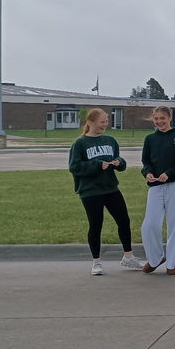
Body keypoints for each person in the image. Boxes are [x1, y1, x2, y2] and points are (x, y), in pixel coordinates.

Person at [68, 108, 143, 275]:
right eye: (102, 122)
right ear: (91, 122)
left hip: (110, 188)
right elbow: (74, 167)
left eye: (106, 122)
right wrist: (95, 165)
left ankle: (128, 256)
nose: (105, 125)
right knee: (96, 225)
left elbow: (119, 160)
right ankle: (96, 262)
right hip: (90, 191)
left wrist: (119, 162)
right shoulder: (80, 144)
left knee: (124, 220)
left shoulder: (110, 140)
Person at [141, 105, 175, 274]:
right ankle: (155, 258)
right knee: (149, 225)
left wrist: (169, 174)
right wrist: (147, 173)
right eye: (156, 119)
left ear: (170, 118)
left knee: (174, 224)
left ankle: (171, 264)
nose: (159, 122)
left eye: (162, 118)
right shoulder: (150, 139)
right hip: (156, 186)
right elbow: (146, 162)